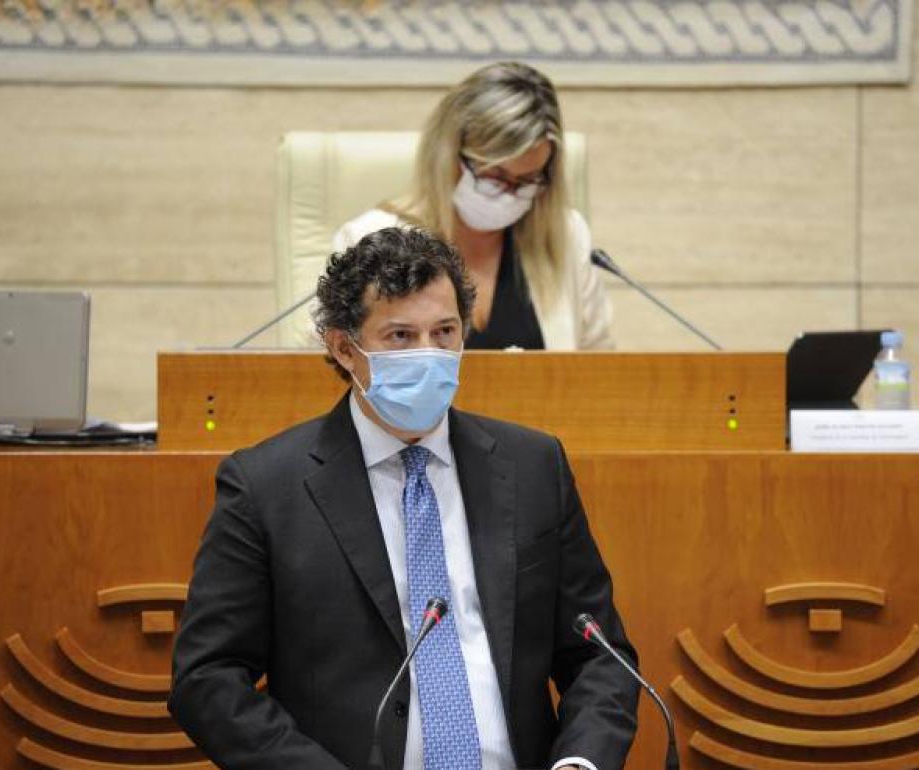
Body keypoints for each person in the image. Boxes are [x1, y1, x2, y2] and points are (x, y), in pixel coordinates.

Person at [170, 227, 639, 770]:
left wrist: (581, 762)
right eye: (399, 337)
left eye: (444, 332)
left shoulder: (533, 466)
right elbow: (207, 679)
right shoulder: (265, 487)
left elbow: (599, 655)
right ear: (344, 348)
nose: (429, 355)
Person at [331, 61, 614, 351]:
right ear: (447, 155)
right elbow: (326, 365)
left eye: (528, 180)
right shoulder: (366, 242)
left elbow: (597, 365)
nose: (509, 194)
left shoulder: (566, 235)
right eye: (495, 176)